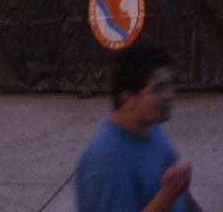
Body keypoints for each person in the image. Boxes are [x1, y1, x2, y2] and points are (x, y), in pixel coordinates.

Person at [73, 42, 196, 212]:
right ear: (128, 99)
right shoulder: (105, 163)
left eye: (169, 84)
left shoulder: (152, 128)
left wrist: (176, 192)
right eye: (158, 89)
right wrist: (167, 196)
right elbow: (172, 192)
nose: (170, 95)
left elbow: (180, 194)